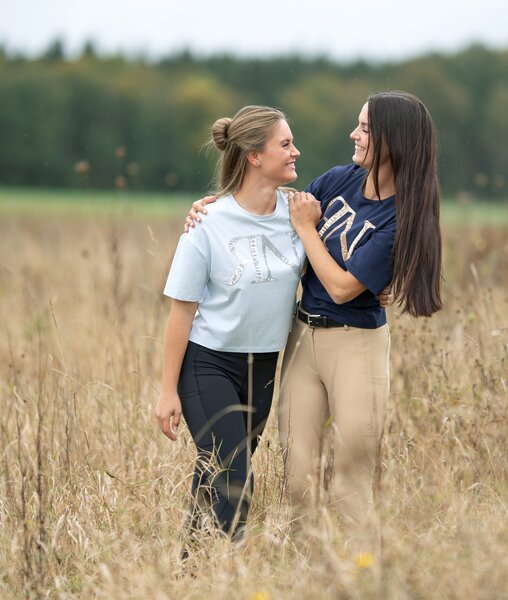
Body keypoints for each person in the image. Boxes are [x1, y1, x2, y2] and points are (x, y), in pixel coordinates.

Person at [187, 91, 442, 547]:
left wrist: (307, 229)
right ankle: (307, 571)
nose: (354, 134)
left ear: (393, 140)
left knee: (350, 478)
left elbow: (342, 287)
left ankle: (364, 571)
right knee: (298, 478)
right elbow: (276, 203)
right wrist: (215, 206)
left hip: (356, 345)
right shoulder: (339, 180)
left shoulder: (400, 215)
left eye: (365, 128)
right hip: (302, 337)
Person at [156, 105, 304, 546]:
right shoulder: (207, 223)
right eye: (285, 144)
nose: (295, 151)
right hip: (209, 366)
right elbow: (181, 312)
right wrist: (167, 391)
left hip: (263, 367)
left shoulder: (299, 213)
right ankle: (226, 571)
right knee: (235, 478)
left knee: (215, 474)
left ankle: (191, 571)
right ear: (255, 156)